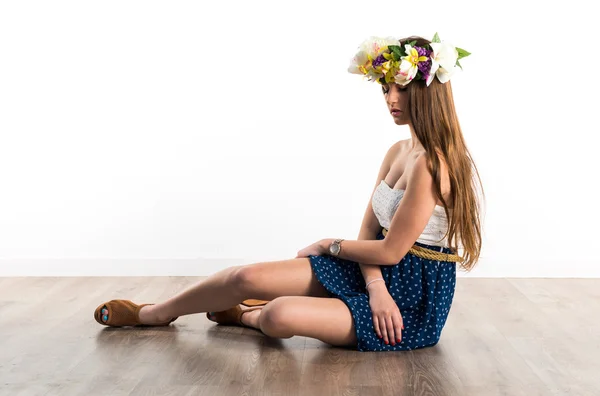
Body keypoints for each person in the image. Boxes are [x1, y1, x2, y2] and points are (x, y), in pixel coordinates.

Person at [94, 33, 484, 352]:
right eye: (385, 90)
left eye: (400, 89)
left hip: (410, 297)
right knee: (246, 276)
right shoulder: (398, 152)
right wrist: (372, 281)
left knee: (279, 315)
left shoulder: (433, 166)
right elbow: (368, 235)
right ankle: (156, 313)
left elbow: (390, 251)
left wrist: (329, 244)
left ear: (428, 90)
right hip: (375, 273)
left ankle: (244, 315)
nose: (391, 100)